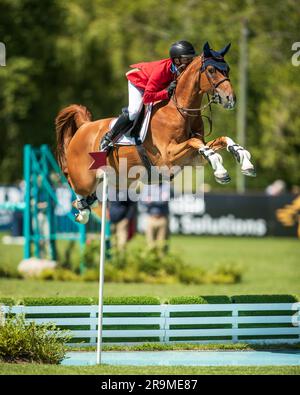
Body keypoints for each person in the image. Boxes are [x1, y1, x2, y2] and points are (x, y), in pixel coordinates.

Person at [100, 40, 197, 151]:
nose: (190, 62)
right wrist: (165, 92)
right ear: (176, 60)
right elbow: (147, 97)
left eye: (191, 59)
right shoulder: (161, 71)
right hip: (139, 82)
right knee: (134, 111)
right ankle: (108, 137)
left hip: (154, 86)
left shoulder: (180, 69)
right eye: (186, 59)